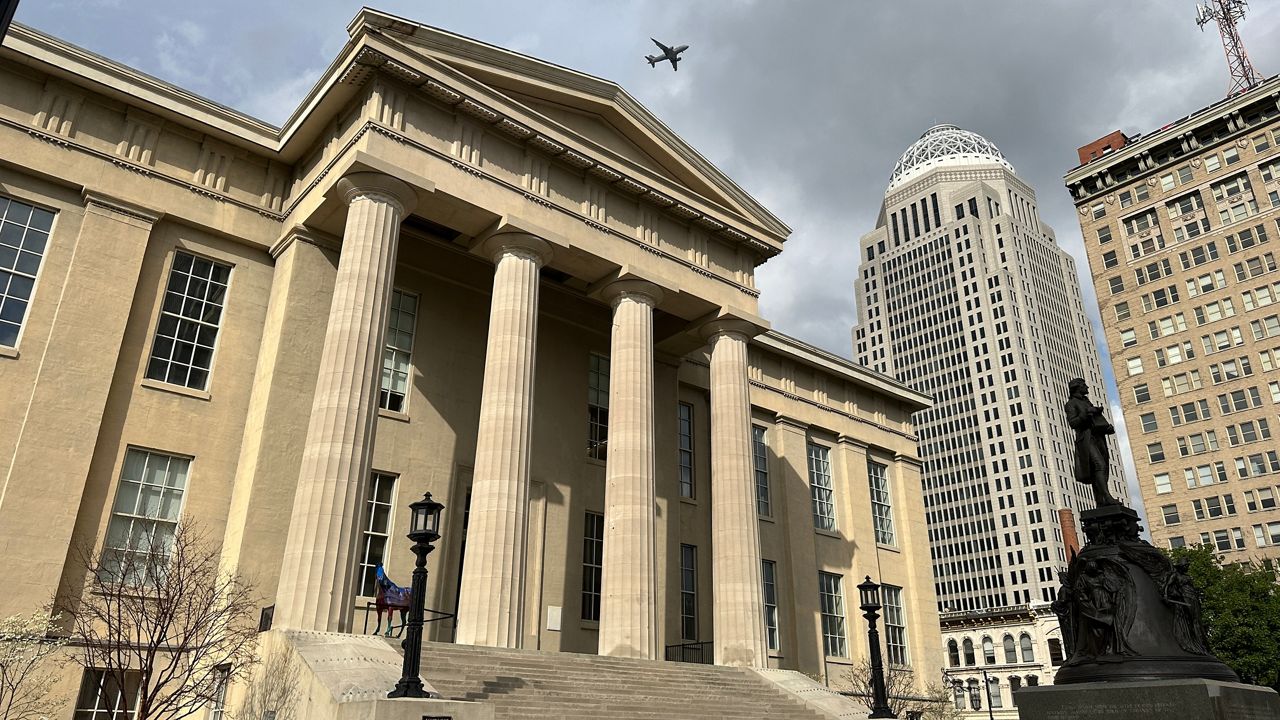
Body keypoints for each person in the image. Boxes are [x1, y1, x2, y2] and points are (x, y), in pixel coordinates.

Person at [1065, 378, 1119, 506]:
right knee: (1099, 465)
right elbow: (1073, 423)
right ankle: (1107, 496)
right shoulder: (1071, 404)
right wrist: (1087, 413)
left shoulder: (1087, 402)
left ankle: (1101, 501)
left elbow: (1096, 422)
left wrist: (1106, 428)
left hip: (1098, 438)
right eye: (1084, 385)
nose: (1087, 387)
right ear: (1077, 387)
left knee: (1102, 469)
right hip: (1086, 439)